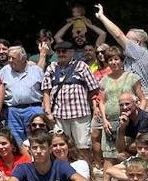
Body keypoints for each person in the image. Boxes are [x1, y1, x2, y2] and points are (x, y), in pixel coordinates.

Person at [40, 41, 102, 169]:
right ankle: (65, 174)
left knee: (83, 146)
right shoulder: (51, 68)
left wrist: (94, 107)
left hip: (80, 113)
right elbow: (46, 91)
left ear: (71, 52)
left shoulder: (82, 66)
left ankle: (87, 175)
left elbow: (94, 89)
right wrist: (48, 112)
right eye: (59, 52)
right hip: (59, 115)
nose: (61, 54)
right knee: (60, 147)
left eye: (64, 51)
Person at [0, 47, 44, 145]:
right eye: (9, 58)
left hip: (34, 109)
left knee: (37, 139)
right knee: (16, 140)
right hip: (12, 111)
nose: (10, 60)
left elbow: (45, 91)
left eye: (13, 58)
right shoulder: (4, 71)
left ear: (23, 59)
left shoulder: (36, 70)